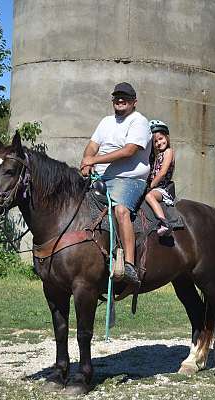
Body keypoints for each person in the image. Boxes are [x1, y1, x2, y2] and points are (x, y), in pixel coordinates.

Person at [80, 82, 152, 288]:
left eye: (125, 98)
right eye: (117, 97)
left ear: (134, 102)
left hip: (130, 179)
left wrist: (93, 161)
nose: (120, 101)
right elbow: (93, 145)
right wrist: (86, 159)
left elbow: (129, 150)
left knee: (121, 211)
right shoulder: (106, 122)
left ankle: (129, 264)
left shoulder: (139, 122)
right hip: (101, 179)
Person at [145, 120, 175, 236]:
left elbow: (162, 173)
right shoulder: (156, 156)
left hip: (162, 188)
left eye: (161, 138)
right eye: (155, 141)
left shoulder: (168, 152)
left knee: (149, 196)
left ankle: (164, 222)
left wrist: (151, 186)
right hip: (155, 187)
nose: (159, 143)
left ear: (166, 137)